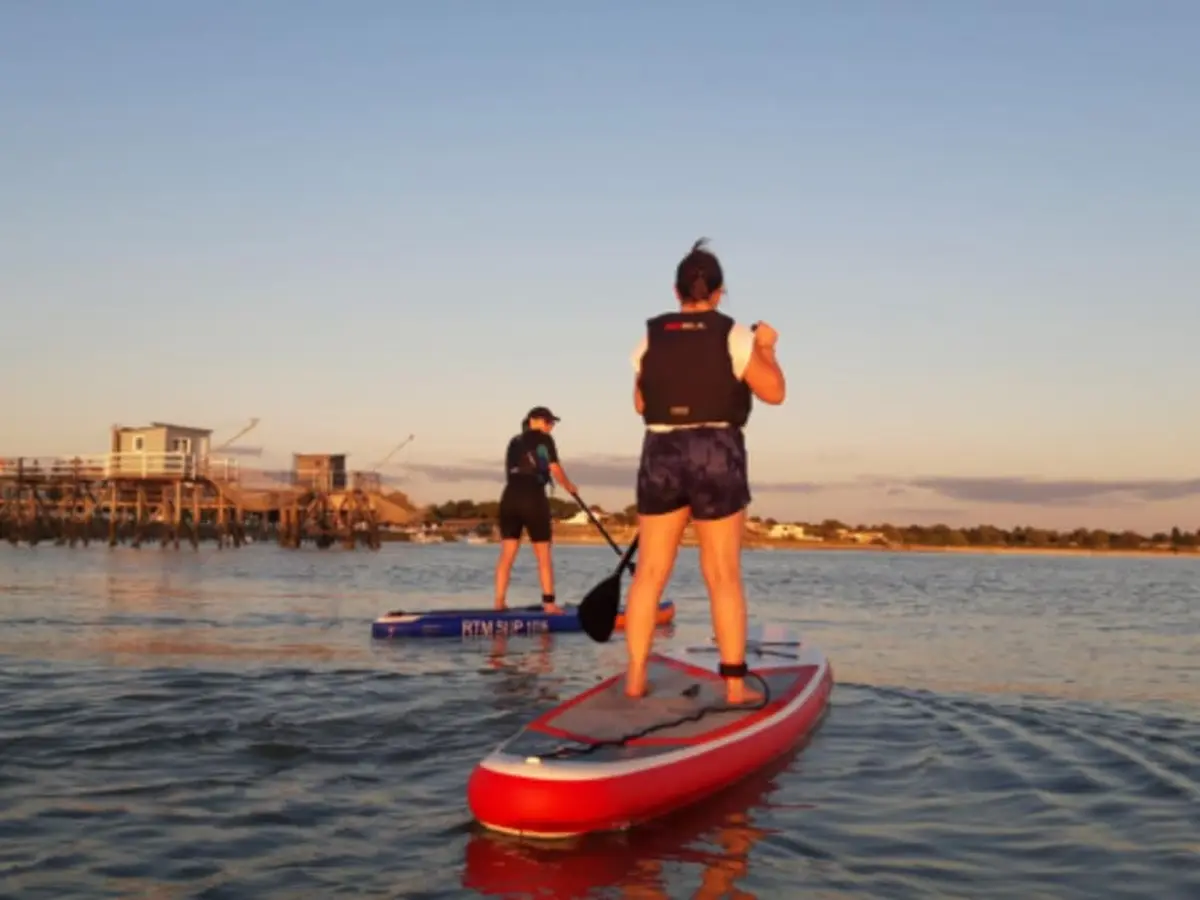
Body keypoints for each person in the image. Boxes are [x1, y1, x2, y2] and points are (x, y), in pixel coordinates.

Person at [622, 238, 787, 704]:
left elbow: (640, 403)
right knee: (722, 573)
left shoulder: (650, 338)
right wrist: (766, 348)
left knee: (650, 572)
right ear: (718, 293)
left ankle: (635, 678)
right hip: (716, 451)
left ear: (676, 291)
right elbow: (774, 392)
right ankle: (733, 686)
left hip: (660, 451)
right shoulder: (734, 335)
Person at [494, 406, 579, 614]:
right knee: (543, 555)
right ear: (534, 420)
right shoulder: (545, 439)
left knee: (507, 554)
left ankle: (499, 602)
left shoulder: (514, 441)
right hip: (532, 498)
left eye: (552, 423)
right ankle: (549, 604)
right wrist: (569, 486)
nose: (551, 426)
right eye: (548, 422)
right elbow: (554, 467)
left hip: (509, 498)